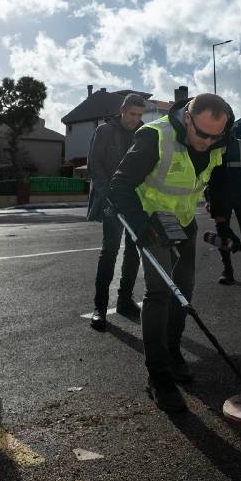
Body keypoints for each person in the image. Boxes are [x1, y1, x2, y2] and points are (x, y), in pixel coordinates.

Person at [108, 93, 234, 413]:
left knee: (185, 291)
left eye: (214, 135)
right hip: (151, 223)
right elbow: (119, 185)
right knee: (160, 293)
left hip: (185, 223)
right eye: (202, 134)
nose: (207, 142)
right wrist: (139, 223)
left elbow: (216, 186)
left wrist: (222, 224)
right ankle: (159, 375)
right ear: (188, 118)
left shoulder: (220, 141)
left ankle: (173, 350)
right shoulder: (154, 137)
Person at [86, 93, 148, 331]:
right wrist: (107, 194)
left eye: (140, 115)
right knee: (110, 251)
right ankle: (100, 308)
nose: (135, 119)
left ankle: (124, 300)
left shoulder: (145, 134)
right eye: (132, 113)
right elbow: (94, 165)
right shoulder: (103, 131)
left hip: (134, 202)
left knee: (133, 252)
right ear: (122, 110)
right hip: (111, 200)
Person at [205, 134, 241, 287]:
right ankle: (227, 270)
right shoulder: (213, 145)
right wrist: (209, 198)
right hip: (221, 197)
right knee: (224, 234)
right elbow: (208, 173)